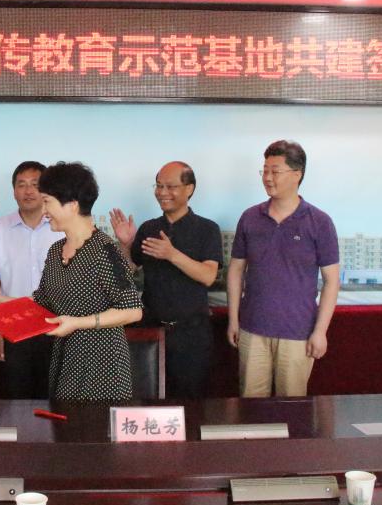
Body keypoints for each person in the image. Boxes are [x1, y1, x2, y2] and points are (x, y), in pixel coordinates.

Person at [0, 162, 142, 402]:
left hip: (101, 363)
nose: (44, 210)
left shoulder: (105, 250)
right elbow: (39, 301)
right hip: (64, 357)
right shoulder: (56, 251)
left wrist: (77, 323)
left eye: (48, 202)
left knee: (91, 425)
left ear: (72, 205)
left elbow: (132, 310)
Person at [226, 140, 340, 397]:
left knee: (292, 408)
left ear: (297, 174)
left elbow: (331, 281)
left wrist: (320, 331)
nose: (267, 177)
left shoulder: (319, 222)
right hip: (252, 328)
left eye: (275, 171)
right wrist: (234, 319)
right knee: (250, 406)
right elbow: (235, 270)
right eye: (264, 170)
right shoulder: (250, 217)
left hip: (297, 332)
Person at [109, 161, 223, 399]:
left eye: (170, 186)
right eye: (159, 186)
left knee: (191, 403)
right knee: (147, 400)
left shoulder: (207, 229)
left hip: (191, 334)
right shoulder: (149, 228)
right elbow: (129, 269)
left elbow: (208, 275)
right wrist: (126, 244)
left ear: (189, 189)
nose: (162, 192)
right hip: (150, 330)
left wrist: (172, 254)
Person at [0, 161, 64, 398]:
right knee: (15, 396)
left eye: (35, 185)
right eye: (21, 185)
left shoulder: (62, 228)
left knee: (54, 397)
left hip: (57, 325)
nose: (28, 191)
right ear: (14, 191)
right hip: (13, 327)